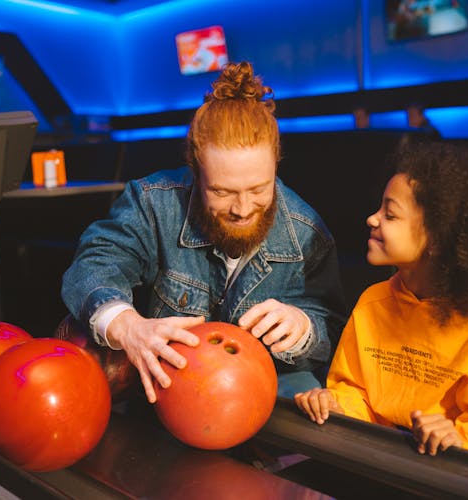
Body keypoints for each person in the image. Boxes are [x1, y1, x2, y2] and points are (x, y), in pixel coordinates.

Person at [62, 61, 347, 403]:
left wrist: (304, 327)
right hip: (167, 398)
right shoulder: (153, 203)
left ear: (276, 163)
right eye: (222, 193)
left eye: (259, 189)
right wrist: (128, 326)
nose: (242, 209)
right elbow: (95, 263)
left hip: (257, 399)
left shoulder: (307, 232)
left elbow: (332, 328)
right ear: (196, 172)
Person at [294, 142, 468, 468]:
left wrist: (458, 440)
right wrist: (335, 404)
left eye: (390, 214)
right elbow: (355, 392)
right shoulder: (372, 303)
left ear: (438, 241)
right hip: (377, 467)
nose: (372, 219)